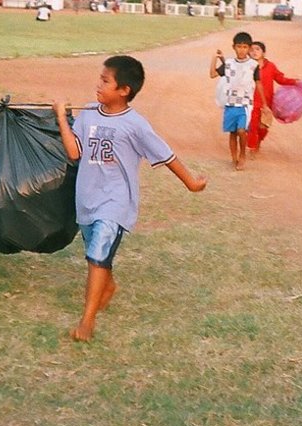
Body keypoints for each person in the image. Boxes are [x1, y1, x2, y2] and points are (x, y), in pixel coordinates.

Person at [53, 56, 206, 342]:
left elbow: (165, 154)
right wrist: (62, 118)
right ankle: (107, 287)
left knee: (97, 257)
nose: (98, 85)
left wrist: (191, 183)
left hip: (116, 202)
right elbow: (75, 152)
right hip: (87, 199)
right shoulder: (87, 113)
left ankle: (87, 321)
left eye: (105, 81)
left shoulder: (135, 125)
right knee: (97, 255)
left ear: (124, 90)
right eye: (99, 78)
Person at [209, 31, 257, 170]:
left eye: (244, 47)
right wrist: (215, 58)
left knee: (242, 131)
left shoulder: (253, 65)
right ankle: (234, 158)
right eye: (239, 47)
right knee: (233, 133)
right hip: (230, 103)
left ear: (249, 48)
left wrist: (264, 105)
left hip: (245, 105)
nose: (241, 50)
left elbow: (258, 83)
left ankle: (242, 156)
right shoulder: (229, 63)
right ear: (233, 47)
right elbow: (213, 74)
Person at [247, 40, 299, 153]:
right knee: (252, 126)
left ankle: (258, 142)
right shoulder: (247, 66)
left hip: (267, 103)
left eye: (257, 49)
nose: (254, 52)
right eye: (251, 50)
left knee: (263, 127)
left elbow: (280, 79)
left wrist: (294, 82)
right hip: (251, 102)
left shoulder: (270, 66)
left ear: (264, 53)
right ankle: (252, 147)